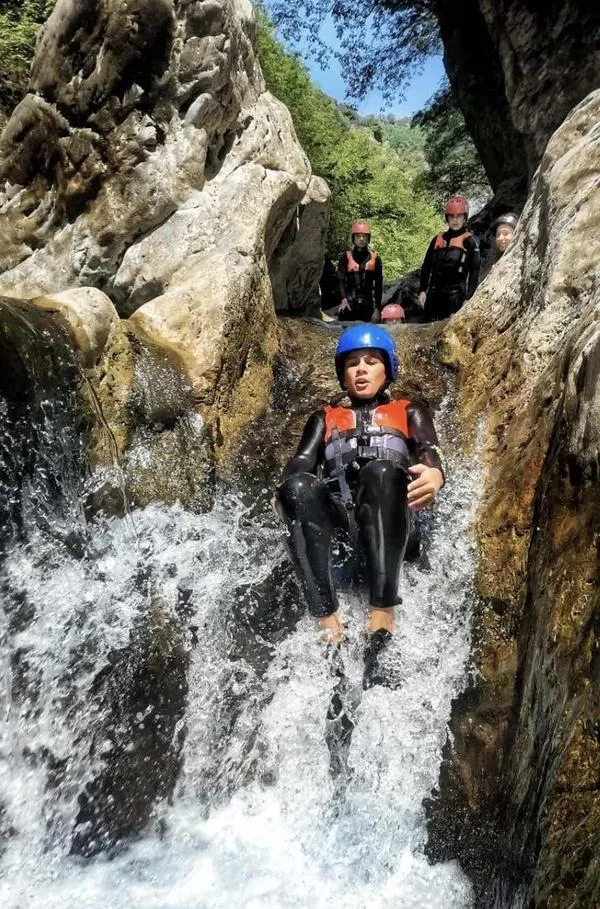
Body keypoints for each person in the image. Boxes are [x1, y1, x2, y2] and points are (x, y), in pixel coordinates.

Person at [275, 325, 445, 686]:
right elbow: (302, 462)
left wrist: (435, 474)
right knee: (298, 486)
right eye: (352, 363)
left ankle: (382, 619)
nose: (362, 369)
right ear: (342, 373)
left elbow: (430, 449)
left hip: (393, 527)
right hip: (343, 535)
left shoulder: (409, 410)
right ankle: (328, 621)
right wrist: (292, 492)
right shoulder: (324, 418)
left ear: (387, 370)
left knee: (382, 470)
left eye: (371, 361)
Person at [418, 196, 480, 322]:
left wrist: (468, 298)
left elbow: (475, 272)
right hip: (434, 294)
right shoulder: (437, 239)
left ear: (465, 217)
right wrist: (423, 290)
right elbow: (426, 266)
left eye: (459, 216)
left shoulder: (470, 241)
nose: (455, 220)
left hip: (455, 295)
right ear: (447, 218)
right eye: (451, 216)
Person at [337, 220, 383, 323]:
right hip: (349, 301)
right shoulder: (345, 257)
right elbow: (340, 280)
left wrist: (377, 309)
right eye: (358, 236)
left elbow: (379, 285)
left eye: (364, 236)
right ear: (353, 238)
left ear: (368, 238)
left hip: (368, 302)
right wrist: (343, 299)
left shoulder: (375, 259)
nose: (361, 239)